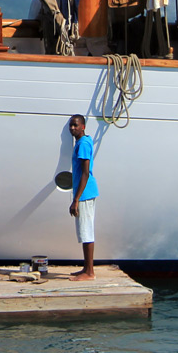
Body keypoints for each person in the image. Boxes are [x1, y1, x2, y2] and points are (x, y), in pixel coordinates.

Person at [67, 113, 98, 281]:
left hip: (84, 193)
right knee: (84, 230)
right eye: (71, 125)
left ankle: (90, 272)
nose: (72, 128)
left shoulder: (83, 144)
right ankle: (86, 268)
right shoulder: (82, 142)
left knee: (86, 231)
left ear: (83, 127)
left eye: (75, 125)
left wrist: (76, 199)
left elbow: (85, 173)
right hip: (84, 192)